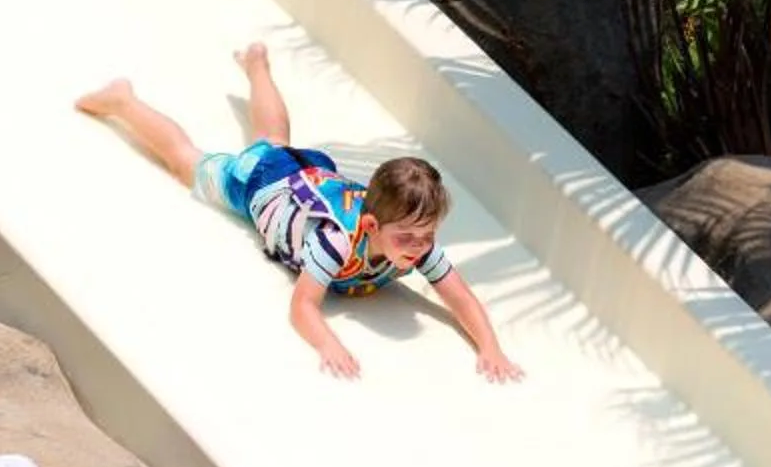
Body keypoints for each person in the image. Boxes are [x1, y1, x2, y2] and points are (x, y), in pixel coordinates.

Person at [76, 45, 524, 383]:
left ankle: (256, 66)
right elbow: (303, 305)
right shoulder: (336, 243)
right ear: (371, 227)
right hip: (261, 182)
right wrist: (329, 343)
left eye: (427, 235)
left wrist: (490, 348)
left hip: (313, 174)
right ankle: (123, 101)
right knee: (184, 160)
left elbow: (460, 297)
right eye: (408, 237)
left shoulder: (414, 244)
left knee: (275, 136)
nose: (420, 247)